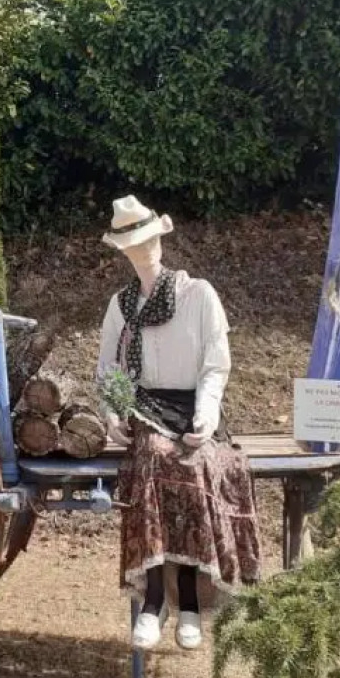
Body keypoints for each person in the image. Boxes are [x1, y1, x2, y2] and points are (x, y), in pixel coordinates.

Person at [95, 195, 261, 651]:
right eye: (133, 245)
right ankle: (153, 601)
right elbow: (108, 369)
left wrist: (207, 414)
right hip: (145, 406)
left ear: (160, 241)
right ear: (123, 253)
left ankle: (189, 602)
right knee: (153, 457)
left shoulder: (198, 294)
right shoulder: (121, 305)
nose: (142, 250)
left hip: (192, 406)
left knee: (196, 463)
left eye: (148, 241)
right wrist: (112, 413)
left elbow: (215, 363)